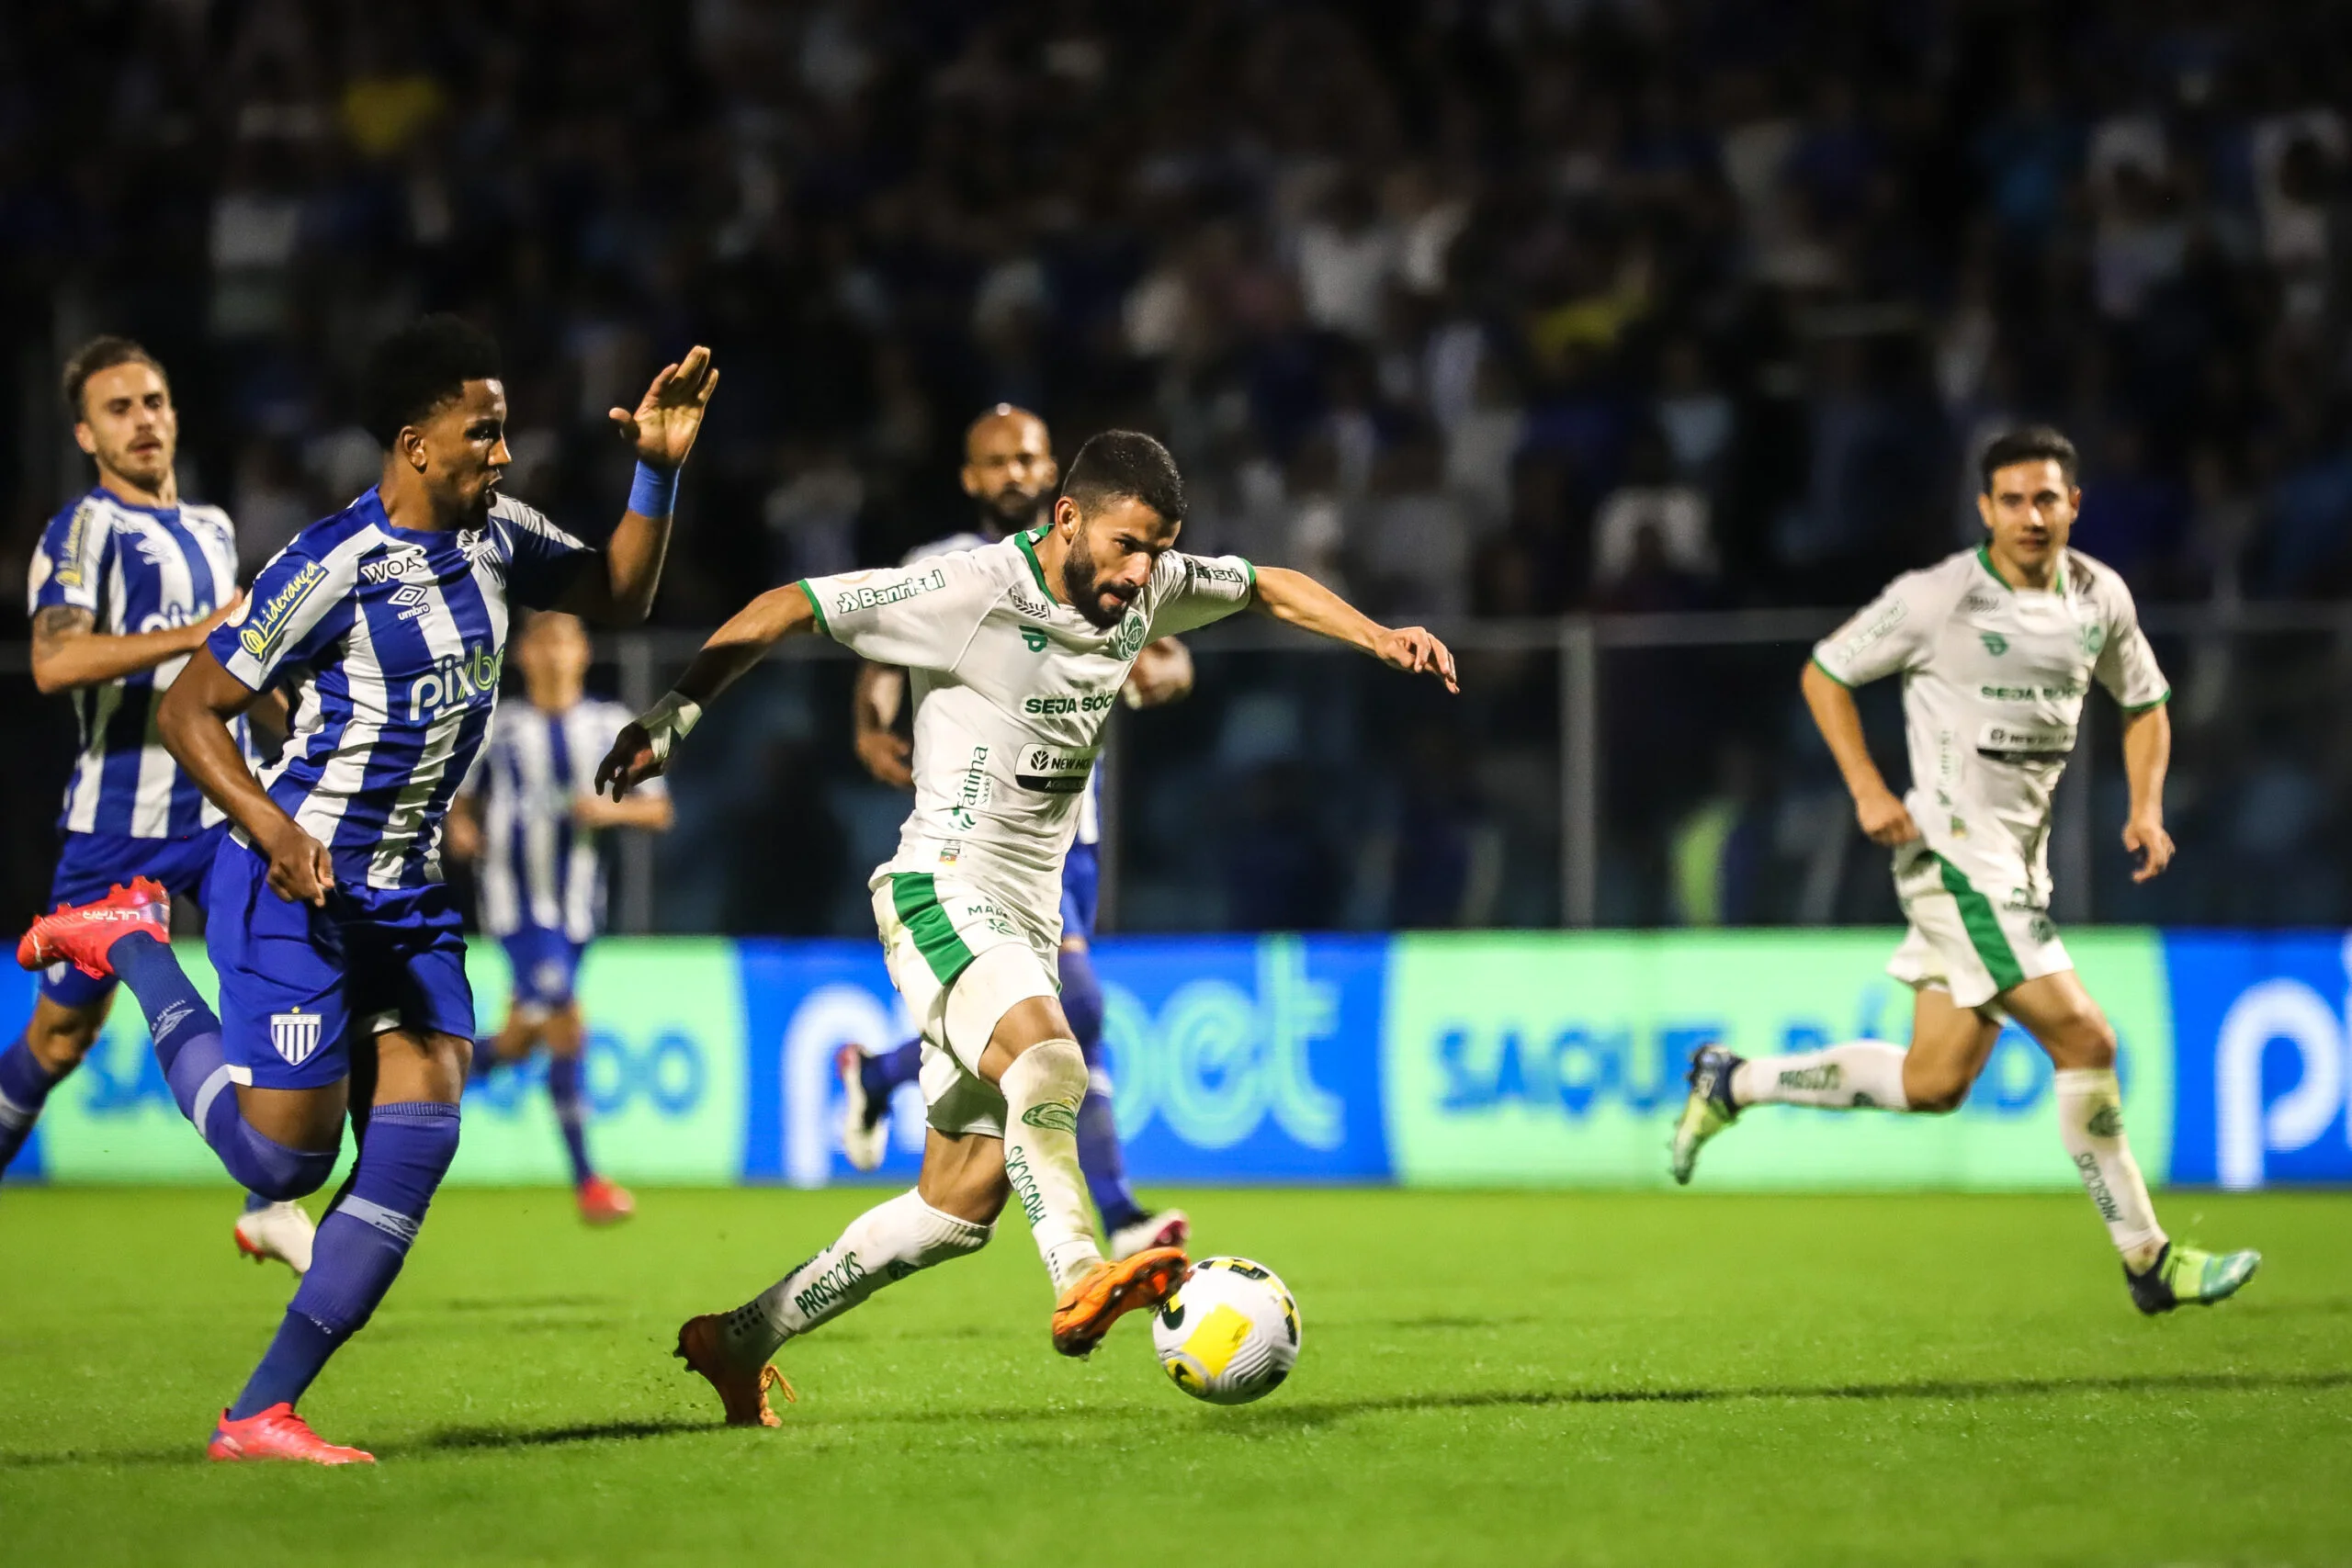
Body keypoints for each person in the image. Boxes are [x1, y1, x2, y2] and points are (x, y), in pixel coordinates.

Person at [597, 430, 1457, 1425]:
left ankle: (738, 1339)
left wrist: (1381, 637)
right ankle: (1082, 1274)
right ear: (1067, 522)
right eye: (1128, 546)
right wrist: (672, 720)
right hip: (940, 889)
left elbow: (1268, 584)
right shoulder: (968, 592)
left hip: (1028, 917)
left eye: (1159, 550)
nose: (1143, 575)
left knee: (953, 1210)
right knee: (1051, 1061)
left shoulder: (1151, 583)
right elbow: (785, 608)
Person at [17, 316, 717, 1463]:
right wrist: (265, 820)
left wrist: (657, 467)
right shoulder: (327, 563)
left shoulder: (500, 539)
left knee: (418, 1136)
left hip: (407, 896)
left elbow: (621, 591)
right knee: (280, 1163)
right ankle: (135, 943)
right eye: (482, 430)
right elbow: (191, 710)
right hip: (291, 885)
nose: (504, 449)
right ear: (415, 443)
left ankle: (258, 1414)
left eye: (504, 428)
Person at [1668, 425, 2259, 1315]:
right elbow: (1825, 674)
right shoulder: (1937, 598)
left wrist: (2144, 806)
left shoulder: (2099, 597)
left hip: (2018, 867)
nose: (2030, 515)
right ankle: (2149, 1261)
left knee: (1932, 1082)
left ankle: (1735, 1080)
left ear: (2073, 506)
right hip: (1953, 862)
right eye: (2012, 500)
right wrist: (1868, 790)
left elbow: (2145, 704)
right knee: (2086, 1040)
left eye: (2046, 498)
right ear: (1984, 509)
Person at [837, 404, 1193, 1262]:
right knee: (1080, 1007)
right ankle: (1116, 1217)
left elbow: (1175, 661)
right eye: (995, 460)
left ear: (1056, 475)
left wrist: (1157, 673)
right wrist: (872, 724)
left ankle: (878, 1073)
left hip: (1078, 832)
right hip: (989, 831)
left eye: (1030, 455)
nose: (1015, 472)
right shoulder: (946, 568)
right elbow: (883, 661)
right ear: (970, 478)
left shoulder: (1118, 553)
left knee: (1062, 1022)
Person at [3, 337, 314, 1274]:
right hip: (117, 828)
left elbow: (228, 657)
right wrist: (201, 630)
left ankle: (270, 1197)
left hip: (224, 803)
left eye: (154, 401)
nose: (143, 420)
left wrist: (284, 701)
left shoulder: (216, 528)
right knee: (59, 1039)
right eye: (120, 408)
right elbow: (57, 662)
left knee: (285, 957)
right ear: (86, 434)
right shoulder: (80, 532)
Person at [445, 609, 673, 1224]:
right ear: (523, 654)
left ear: (582, 651)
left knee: (521, 1043)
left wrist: (609, 813)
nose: (552, 652)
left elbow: (657, 810)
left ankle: (416, 1088)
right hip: (517, 908)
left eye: (564, 640)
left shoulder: (606, 724)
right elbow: (456, 804)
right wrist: (462, 832)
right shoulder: (499, 725)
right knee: (568, 1025)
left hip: (577, 916)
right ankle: (588, 1183)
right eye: (541, 641)